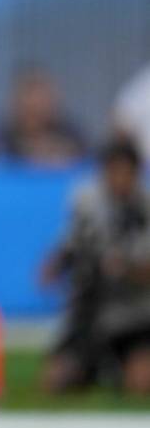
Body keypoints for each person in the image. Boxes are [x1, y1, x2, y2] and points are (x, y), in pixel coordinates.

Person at [41, 139, 150, 394]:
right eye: (114, 171)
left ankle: (120, 368)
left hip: (133, 315)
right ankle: (90, 369)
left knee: (141, 383)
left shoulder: (145, 208)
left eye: (126, 173)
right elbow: (70, 243)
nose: (119, 180)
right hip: (89, 312)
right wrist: (55, 265)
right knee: (54, 382)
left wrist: (126, 269)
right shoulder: (87, 202)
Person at [1, 68, 84, 165]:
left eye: (41, 106)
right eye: (30, 109)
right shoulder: (0, 139)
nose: (36, 109)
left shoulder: (71, 135)